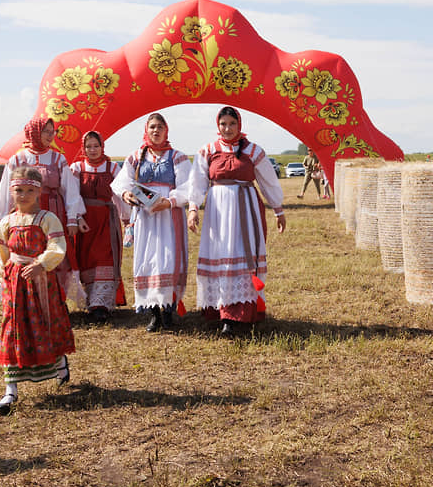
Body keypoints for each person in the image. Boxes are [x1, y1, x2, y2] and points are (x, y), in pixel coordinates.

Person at [188, 106, 286, 335]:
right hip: (217, 212)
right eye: (223, 124)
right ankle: (222, 313)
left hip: (246, 208)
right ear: (217, 125)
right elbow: (197, 182)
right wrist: (193, 208)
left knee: (242, 254)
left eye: (232, 124)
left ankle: (241, 313)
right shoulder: (208, 150)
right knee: (221, 254)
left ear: (239, 125)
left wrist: (278, 210)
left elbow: (268, 181)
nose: (228, 128)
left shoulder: (253, 151)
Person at [0, 166, 75, 416]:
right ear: (11, 191)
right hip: (15, 284)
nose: (23, 195)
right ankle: (11, 390)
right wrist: (6, 272)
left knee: (45, 324)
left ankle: (60, 364)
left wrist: (41, 264)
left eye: (29, 190)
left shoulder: (47, 219)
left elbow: (57, 245)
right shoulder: (7, 222)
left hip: (41, 281)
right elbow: (4, 253)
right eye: (18, 190)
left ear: (39, 192)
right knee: (12, 329)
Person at [110, 113, 193, 332]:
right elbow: (121, 181)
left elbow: (187, 186)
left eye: (160, 127)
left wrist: (169, 201)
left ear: (167, 130)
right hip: (145, 217)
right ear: (146, 130)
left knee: (168, 259)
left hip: (169, 216)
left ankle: (168, 311)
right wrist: (126, 194)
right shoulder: (137, 156)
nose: (156, 131)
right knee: (147, 259)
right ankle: (154, 313)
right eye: (152, 127)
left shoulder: (177, 157)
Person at [0, 117, 87, 309]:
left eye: (52, 132)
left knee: (55, 255)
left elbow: (69, 190)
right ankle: (26, 300)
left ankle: (55, 301)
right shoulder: (17, 159)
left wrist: (72, 218)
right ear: (34, 132)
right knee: (26, 254)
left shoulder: (58, 158)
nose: (50, 136)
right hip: (24, 215)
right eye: (46, 131)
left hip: (54, 211)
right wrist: (0, 220)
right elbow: (6, 192)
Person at [69, 131, 129, 323]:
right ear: (83, 148)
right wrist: (77, 217)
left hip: (106, 220)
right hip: (84, 222)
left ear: (102, 146)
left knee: (105, 258)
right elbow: (71, 195)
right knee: (87, 258)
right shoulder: (76, 168)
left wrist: (127, 219)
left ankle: (100, 304)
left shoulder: (112, 168)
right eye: (88, 147)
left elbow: (120, 193)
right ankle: (90, 301)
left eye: (96, 146)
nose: (93, 150)